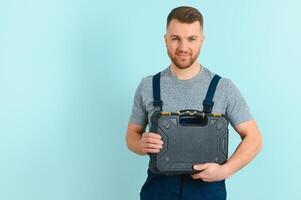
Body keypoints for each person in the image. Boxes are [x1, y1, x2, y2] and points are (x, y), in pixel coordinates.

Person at [125, 6, 263, 200]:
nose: (183, 47)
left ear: (202, 41)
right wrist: (140, 144)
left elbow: (254, 139)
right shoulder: (148, 85)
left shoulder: (224, 87)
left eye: (191, 39)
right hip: (158, 190)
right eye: (175, 38)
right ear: (165, 39)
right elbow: (131, 135)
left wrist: (225, 171)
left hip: (207, 190)